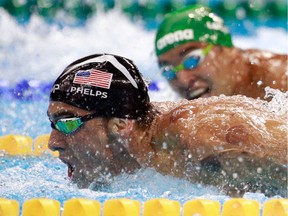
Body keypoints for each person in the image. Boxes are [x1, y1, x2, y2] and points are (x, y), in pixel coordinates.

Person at [47, 53, 287, 197]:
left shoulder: (202, 138)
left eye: (67, 124)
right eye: (52, 124)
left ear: (120, 126)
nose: (53, 143)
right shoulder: (136, 141)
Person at [155, 4, 287, 100]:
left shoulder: (280, 79)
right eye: (169, 71)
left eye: (192, 60)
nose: (183, 80)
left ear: (228, 51)